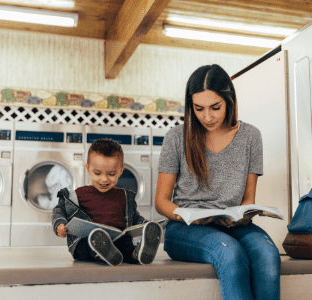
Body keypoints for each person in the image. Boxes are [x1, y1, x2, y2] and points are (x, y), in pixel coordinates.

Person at [155, 64, 281, 299]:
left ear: (229, 100)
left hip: (231, 226)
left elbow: (248, 199)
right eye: (199, 108)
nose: (207, 117)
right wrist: (191, 215)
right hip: (184, 228)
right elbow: (162, 202)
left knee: (267, 254)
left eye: (215, 107)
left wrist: (242, 215)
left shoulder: (251, 136)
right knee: (229, 253)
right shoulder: (175, 137)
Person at [52, 138, 162, 266]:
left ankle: (138, 253)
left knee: (125, 244)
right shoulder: (78, 194)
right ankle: (102, 252)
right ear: (88, 168)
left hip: (117, 239)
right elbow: (59, 210)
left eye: (111, 174)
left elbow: (135, 217)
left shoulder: (123, 195)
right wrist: (59, 224)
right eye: (97, 173)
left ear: (121, 171)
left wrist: (146, 226)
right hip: (86, 240)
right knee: (86, 244)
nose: (104, 179)